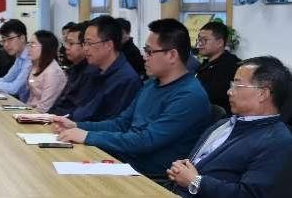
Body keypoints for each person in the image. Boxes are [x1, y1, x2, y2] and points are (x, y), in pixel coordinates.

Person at [55, 19, 212, 175]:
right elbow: (121, 124)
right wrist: (77, 126)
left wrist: (88, 136)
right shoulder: (151, 85)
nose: (144, 57)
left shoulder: (189, 96)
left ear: (172, 55)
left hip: (151, 177)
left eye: (149, 52)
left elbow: (146, 140)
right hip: (125, 163)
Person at [168, 56, 292, 198]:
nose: (229, 92)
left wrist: (196, 182)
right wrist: (182, 169)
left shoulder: (277, 142)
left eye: (237, 85)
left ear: (262, 94)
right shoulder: (224, 123)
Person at [67, 16, 142, 122]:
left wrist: (74, 125)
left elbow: (115, 124)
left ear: (108, 45)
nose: (85, 48)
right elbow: (81, 108)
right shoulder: (93, 71)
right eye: (84, 43)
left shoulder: (126, 80)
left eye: (89, 43)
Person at [49, 21, 97, 116]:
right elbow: (60, 102)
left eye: (71, 43)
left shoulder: (91, 72)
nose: (66, 47)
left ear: (84, 45)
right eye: (66, 42)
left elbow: (77, 109)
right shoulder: (74, 69)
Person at [195, 21, 241, 115]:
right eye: (199, 40)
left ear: (220, 42)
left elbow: (213, 96)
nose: (199, 44)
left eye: (204, 40)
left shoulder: (231, 65)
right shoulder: (205, 64)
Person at [26, 30, 67, 112]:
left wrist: (26, 114)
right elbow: (32, 98)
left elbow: (45, 107)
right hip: (32, 111)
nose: (28, 49)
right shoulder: (35, 66)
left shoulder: (53, 72)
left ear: (46, 47)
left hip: (46, 114)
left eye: (32, 45)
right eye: (28, 44)